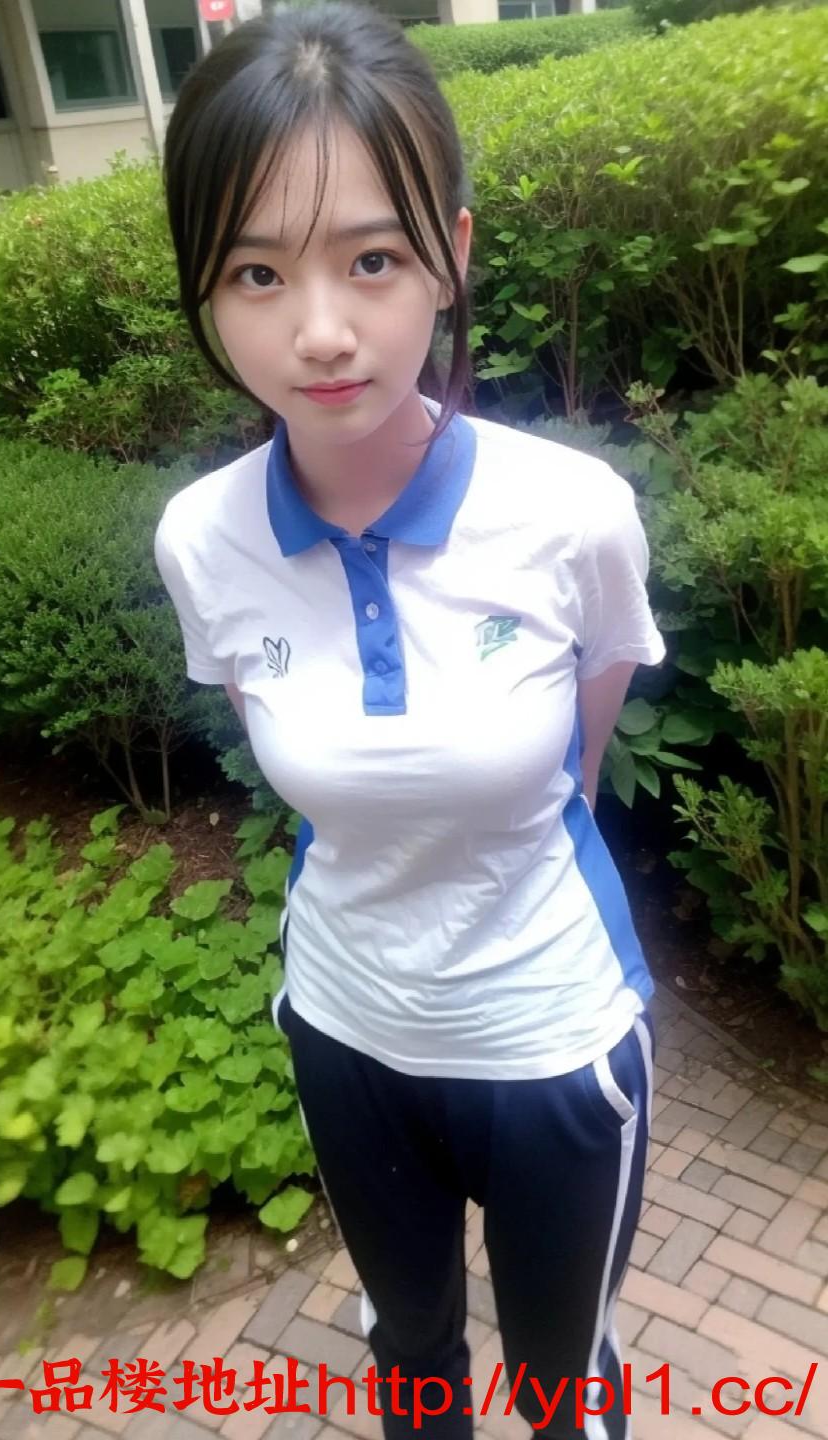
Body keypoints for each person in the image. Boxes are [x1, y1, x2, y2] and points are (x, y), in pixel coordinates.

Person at [154, 4, 667, 1437]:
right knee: (414, 1368)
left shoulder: (572, 514)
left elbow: (578, 755)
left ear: (451, 252)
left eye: (372, 259)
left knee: (563, 1392)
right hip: (347, 1030)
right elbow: (295, 750)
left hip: (550, 1037)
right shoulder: (203, 539)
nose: (320, 331)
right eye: (257, 271)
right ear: (205, 288)